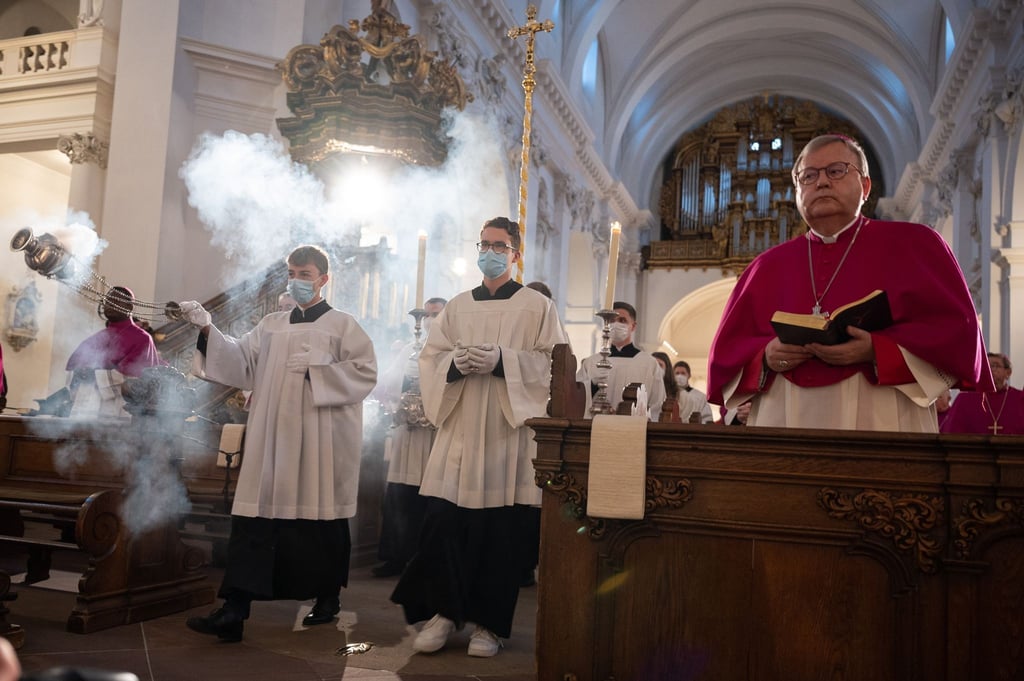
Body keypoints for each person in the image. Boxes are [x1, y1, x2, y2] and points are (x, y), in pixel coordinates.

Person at [707, 134, 993, 431]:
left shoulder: (916, 245)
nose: (821, 182)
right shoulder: (765, 267)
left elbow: (955, 333)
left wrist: (876, 350)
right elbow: (728, 355)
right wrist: (766, 356)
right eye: (808, 176)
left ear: (866, 186)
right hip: (785, 415)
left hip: (883, 412)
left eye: (836, 171)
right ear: (796, 191)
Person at [179, 245, 377, 641]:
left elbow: (365, 373)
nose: (297, 280)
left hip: (320, 443)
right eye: (292, 272)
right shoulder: (271, 324)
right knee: (255, 522)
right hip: (271, 442)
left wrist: (317, 374)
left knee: (320, 522)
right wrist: (206, 329)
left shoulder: (343, 325)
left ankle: (326, 597)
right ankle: (234, 610)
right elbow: (239, 362)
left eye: (305, 274)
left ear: (324, 279)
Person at [390, 217, 567, 658]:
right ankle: (446, 614)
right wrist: (455, 364)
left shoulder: (536, 307)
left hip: (506, 436)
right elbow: (430, 360)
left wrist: (504, 361)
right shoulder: (457, 306)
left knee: (499, 535)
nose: (489, 252)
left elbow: (556, 366)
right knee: (445, 525)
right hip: (461, 429)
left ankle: (490, 625)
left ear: (515, 254)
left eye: (499, 245)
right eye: (484, 244)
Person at [372, 296, 447, 578]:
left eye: (436, 314)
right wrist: (406, 377)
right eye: (426, 315)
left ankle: (426, 559)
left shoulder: (453, 349)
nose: (429, 320)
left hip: (434, 432)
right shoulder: (408, 349)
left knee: (430, 496)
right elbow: (388, 383)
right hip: (408, 431)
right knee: (400, 495)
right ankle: (395, 555)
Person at [64, 286, 166, 417]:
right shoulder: (96, 338)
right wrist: (78, 374)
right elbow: (73, 372)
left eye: (116, 300)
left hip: (120, 413)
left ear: (130, 307)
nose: (109, 305)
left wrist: (93, 376)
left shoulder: (142, 338)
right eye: (107, 301)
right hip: (85, 415)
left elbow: (136, 380)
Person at [576, 302, 666, 418]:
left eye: (622, 320)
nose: (616, 324)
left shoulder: (649, 363)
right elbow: (576, 398)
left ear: (633, 326)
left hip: (634, 429)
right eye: (612, 320)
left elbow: (657, 404)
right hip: (597, 426)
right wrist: (592, 385)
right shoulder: (592, 362)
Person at [941, 353, 1024, 434]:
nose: (990, 369)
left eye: (995, 365)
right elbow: (952, 431)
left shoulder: (1020, 398)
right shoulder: (965, 399)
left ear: (1008, 372)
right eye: (986, 366)